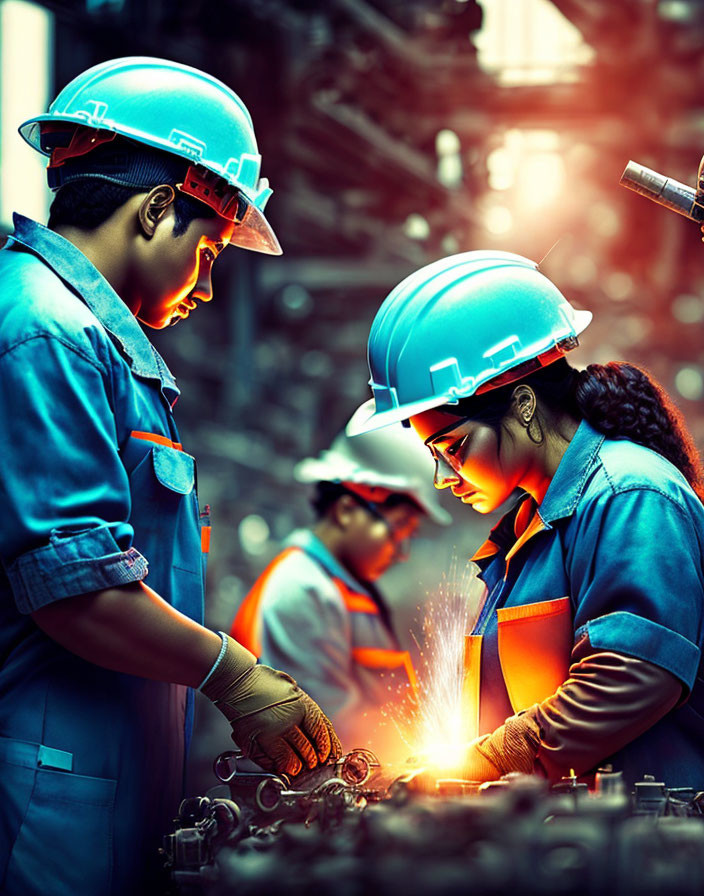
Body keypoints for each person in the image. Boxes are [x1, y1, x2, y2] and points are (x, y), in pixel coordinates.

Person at [0, 56, 340, 896]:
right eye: (211, 249)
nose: (210, 286)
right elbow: (75, 589)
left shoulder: (99, 348)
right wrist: (234, 673)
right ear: (157, 210)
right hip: (45, 802)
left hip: (95, 786)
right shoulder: (49, 334)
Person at [348, 249, 704, 788]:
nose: (444, 478)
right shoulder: (533, 529)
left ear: (523, 405)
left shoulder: (629, 494)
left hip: (643, 844)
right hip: (566, 841)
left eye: (453, 447)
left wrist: (492, 761)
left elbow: (634, 674)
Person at [231, 425, 451, 760]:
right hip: (303, 804)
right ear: (347, 510)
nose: (402, 551)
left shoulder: (350, 590)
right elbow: (330, 731)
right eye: (398, 528)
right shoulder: (301, 589)